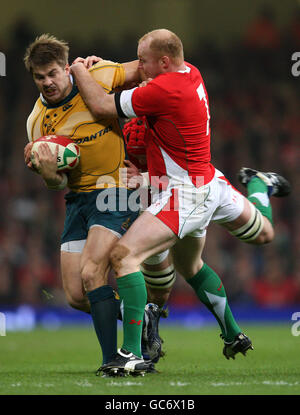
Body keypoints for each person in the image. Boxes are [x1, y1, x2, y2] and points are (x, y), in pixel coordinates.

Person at [70, 28, 291, 376]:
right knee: (254, 238)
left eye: (143, 61)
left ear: (164, 61)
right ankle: (260, 187)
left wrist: (80, 69)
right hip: (206, 179)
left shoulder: (163, 90)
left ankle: (130, 353)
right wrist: (109, 68)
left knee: (124, 257)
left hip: (184, 192)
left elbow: (99, 105)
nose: (138, 67)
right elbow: (146, 82)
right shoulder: (190, 72)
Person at [23, 34, 172, 376]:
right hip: (78, 199)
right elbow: (56, 182)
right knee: (76, 294)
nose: (47, 82)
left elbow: (147, 70)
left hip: (115, 189)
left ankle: (114, 359)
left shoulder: (99, 75)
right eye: (39, 77)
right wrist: (49, 176)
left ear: (66, 68)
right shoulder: (36, 123)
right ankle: (141, 315)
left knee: (93, 272)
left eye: (53, 73)